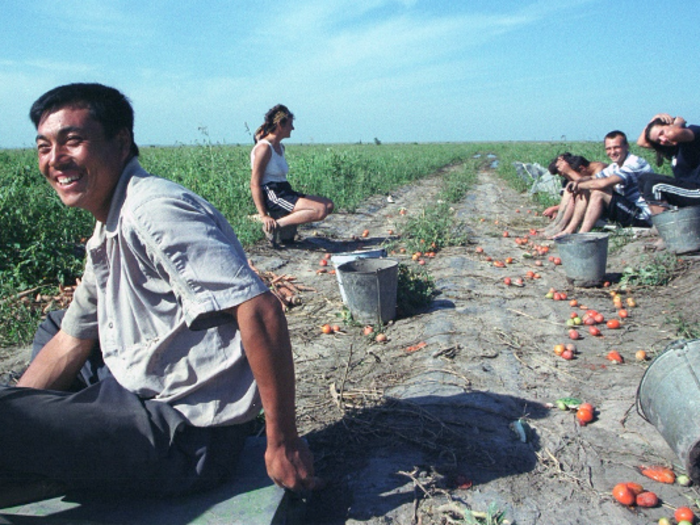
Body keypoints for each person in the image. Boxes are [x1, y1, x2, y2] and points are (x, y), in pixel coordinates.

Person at [0, 83, 317, 502]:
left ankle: (49, 461)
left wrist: (283, 442)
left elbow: (260, 309)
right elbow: (70, 339)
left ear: (121, 142)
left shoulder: (153, 208)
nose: (55, 160)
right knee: (61, 325)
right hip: (143, 388)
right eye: (44, 147)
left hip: (189, 438)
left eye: (73, 141)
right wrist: (24, 411)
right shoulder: (110, 220)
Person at [250, 104, 333, 244]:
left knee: (329, 205)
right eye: (290, 124)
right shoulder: (264, 148)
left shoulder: (280, 147)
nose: (293, 128)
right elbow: (254, 183)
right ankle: (274, 226)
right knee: (320, 210)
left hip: (284, 190)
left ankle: (282, 223)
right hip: (272, 193)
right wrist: (263, 215)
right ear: (280, 125)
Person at [552, 131, 653, 238]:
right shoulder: (615, 166)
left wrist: (581, 184)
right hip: (625, 208)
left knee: (598, 192)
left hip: (642, 215)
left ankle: (581, 235)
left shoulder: (634, 163)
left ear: (626, 146)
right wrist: (578, 182)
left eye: (616, 147)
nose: (612, 152)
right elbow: (593, 178)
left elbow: (604, 182)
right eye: (608, 149)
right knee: (586, 188)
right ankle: (568, 229)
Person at [637, 113, 700, 215]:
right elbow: (641, 142)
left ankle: (665, 228)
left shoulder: (692, 133)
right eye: (659, 140)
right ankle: (664, 223)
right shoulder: (673, 149)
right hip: (689, 191)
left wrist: (679, 121)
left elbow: (673, 134)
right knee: (644, 179)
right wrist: (654, 119)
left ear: (671, 125)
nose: (663, 139)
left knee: (655, 186)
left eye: (662, 132)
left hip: (698, 190)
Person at [540, 153, 607, 238]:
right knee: (571, 189)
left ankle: (569, 229)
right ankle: (559, 225)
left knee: (581, 188)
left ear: (582, 169)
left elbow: (593, 186)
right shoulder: (586, 172)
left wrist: (570, 172)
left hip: (607, 207)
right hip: (596, 206)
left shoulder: (601, 169)